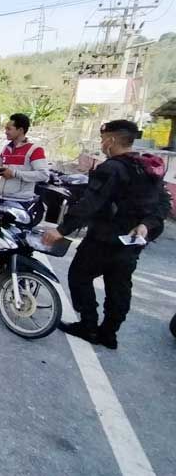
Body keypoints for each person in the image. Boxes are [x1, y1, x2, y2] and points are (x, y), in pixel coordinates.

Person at [43, 120, 172, 349]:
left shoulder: (111, 168)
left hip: (103, 240)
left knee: (79, 276)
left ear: (112, 140)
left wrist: (61, 230)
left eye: (103, 140)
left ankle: (88, 326)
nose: (102, 144)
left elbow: (90, 204)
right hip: (133, 242)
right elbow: (162, 203)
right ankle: (109, 334)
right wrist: (147, 225)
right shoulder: (147, 167)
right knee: (119, 287)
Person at [0, 113, 49, 198]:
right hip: (1, 198)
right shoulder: (6, 148)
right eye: (6, 129)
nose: (6, 132)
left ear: (21, 130)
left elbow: (43, 175)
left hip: (21, 201)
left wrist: (14, 174)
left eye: (9, 129)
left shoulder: (35, 150)